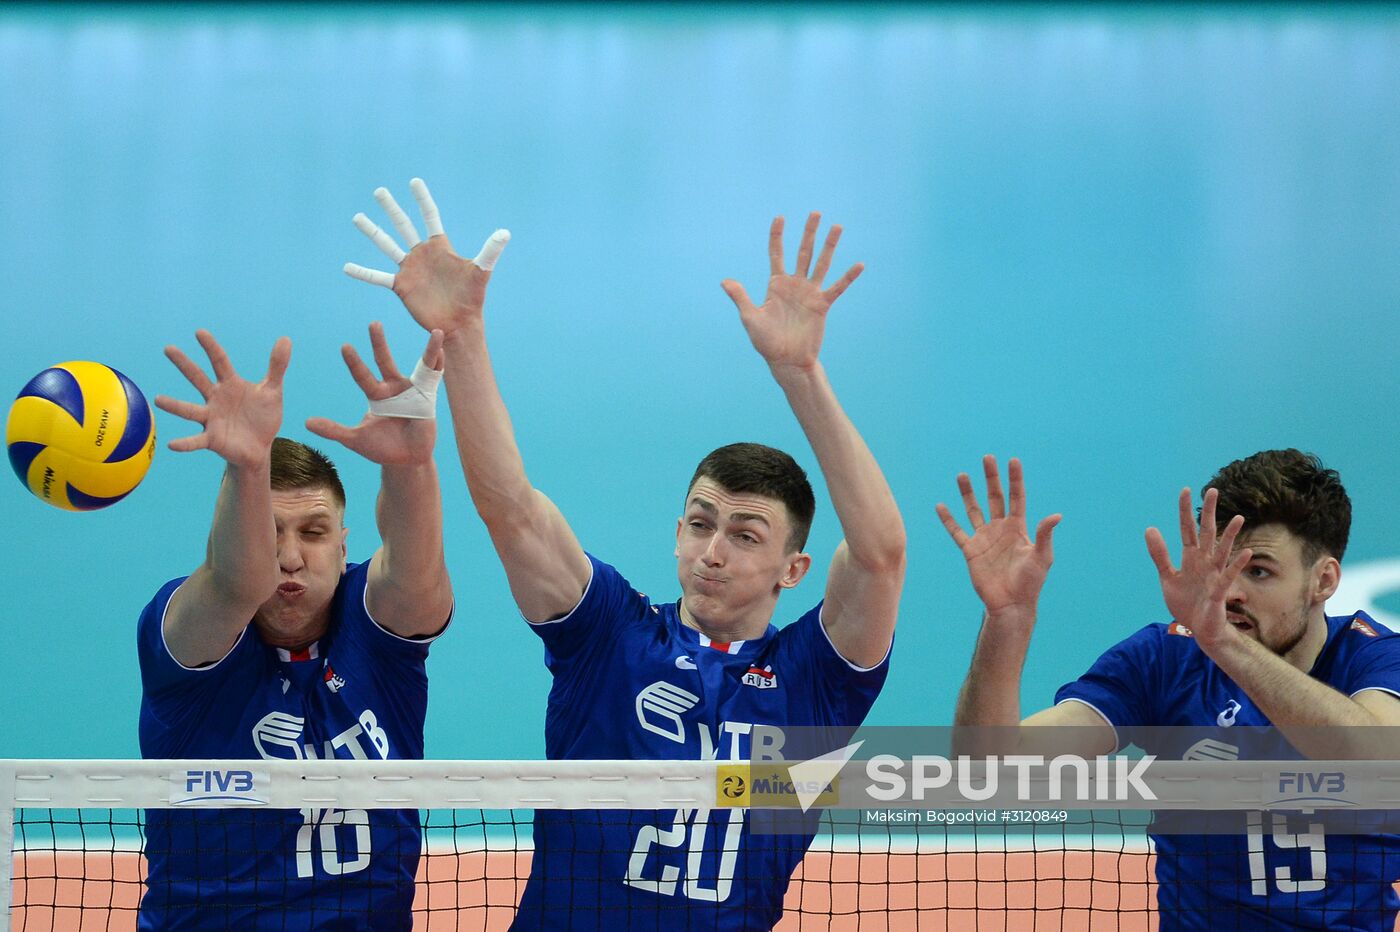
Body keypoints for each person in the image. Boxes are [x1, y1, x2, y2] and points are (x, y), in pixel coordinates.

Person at [345, 180, 907, 929]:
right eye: (701, 523)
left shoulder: (817, 683)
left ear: (793, 570)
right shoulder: (610, 634)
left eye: (746, 535)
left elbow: (879, 555)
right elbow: (512, 510)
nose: (713, 550)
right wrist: (466, 335)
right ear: (677, 533)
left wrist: (800, 375)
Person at [940, 451, 1400, 929]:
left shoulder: (1376, 659)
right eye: (1221, 567)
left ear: (1323, 581)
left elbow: (1375, 758)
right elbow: (989, 773)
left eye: (1258, 571)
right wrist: (1007, 619)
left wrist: (1222, 642)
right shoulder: (1165, 660)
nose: (1230, 593)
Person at [137, 323, 454, 930]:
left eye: (313, 532)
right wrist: (247, 469)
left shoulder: (375, 636)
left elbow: (415, 576)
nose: (289, 557)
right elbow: (237, 582)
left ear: (344, 547)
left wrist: (411, 467)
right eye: (269, 532)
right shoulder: (186, 634)